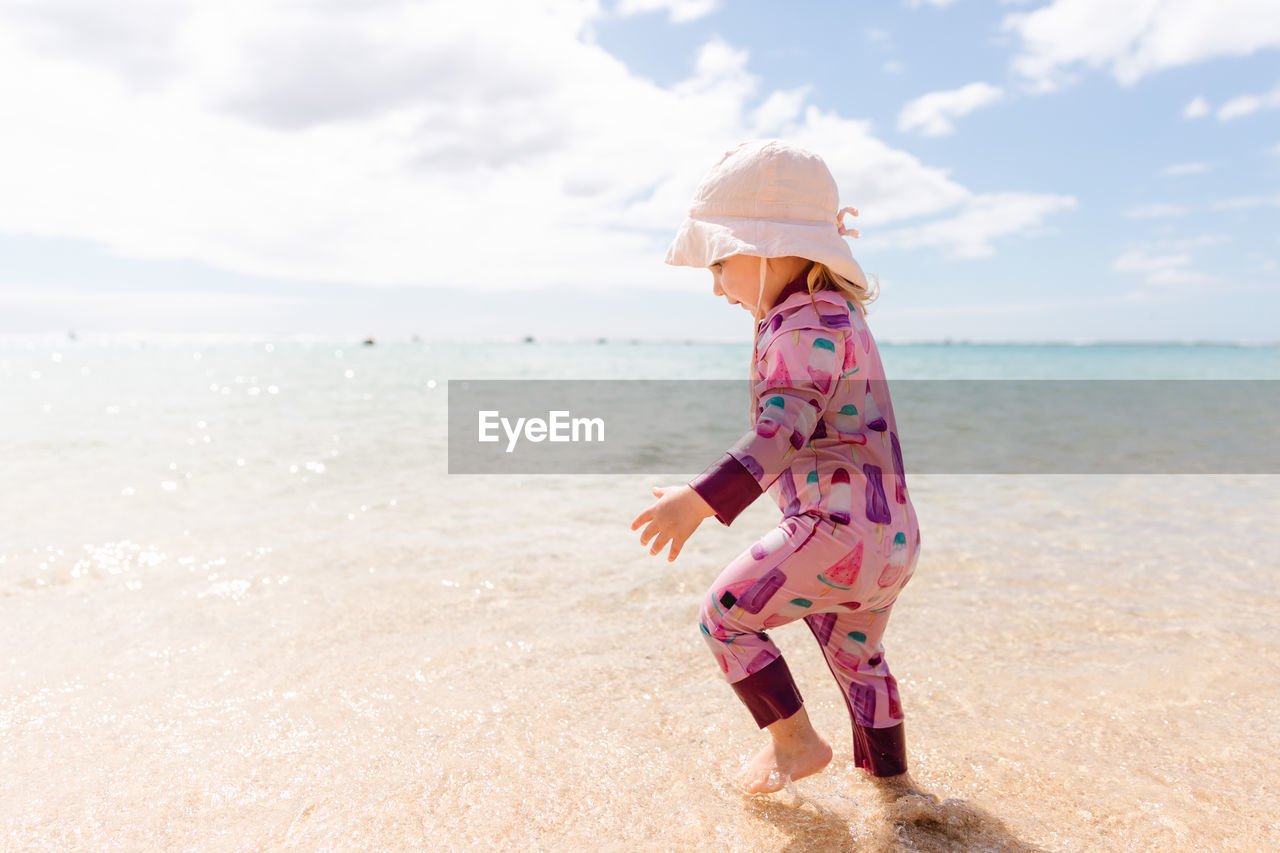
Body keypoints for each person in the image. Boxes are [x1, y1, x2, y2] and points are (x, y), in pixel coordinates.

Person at [629, 139, 922, 796]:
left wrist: (698, 501)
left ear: (768, 246)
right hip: (893, 538)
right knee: (859, 658)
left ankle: (795, 743)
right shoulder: (840, 313)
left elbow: (777, 435)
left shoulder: (800, 324)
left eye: (721, 262)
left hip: (835, 529)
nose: (716, 286)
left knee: (725, 614)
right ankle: (898, 791)